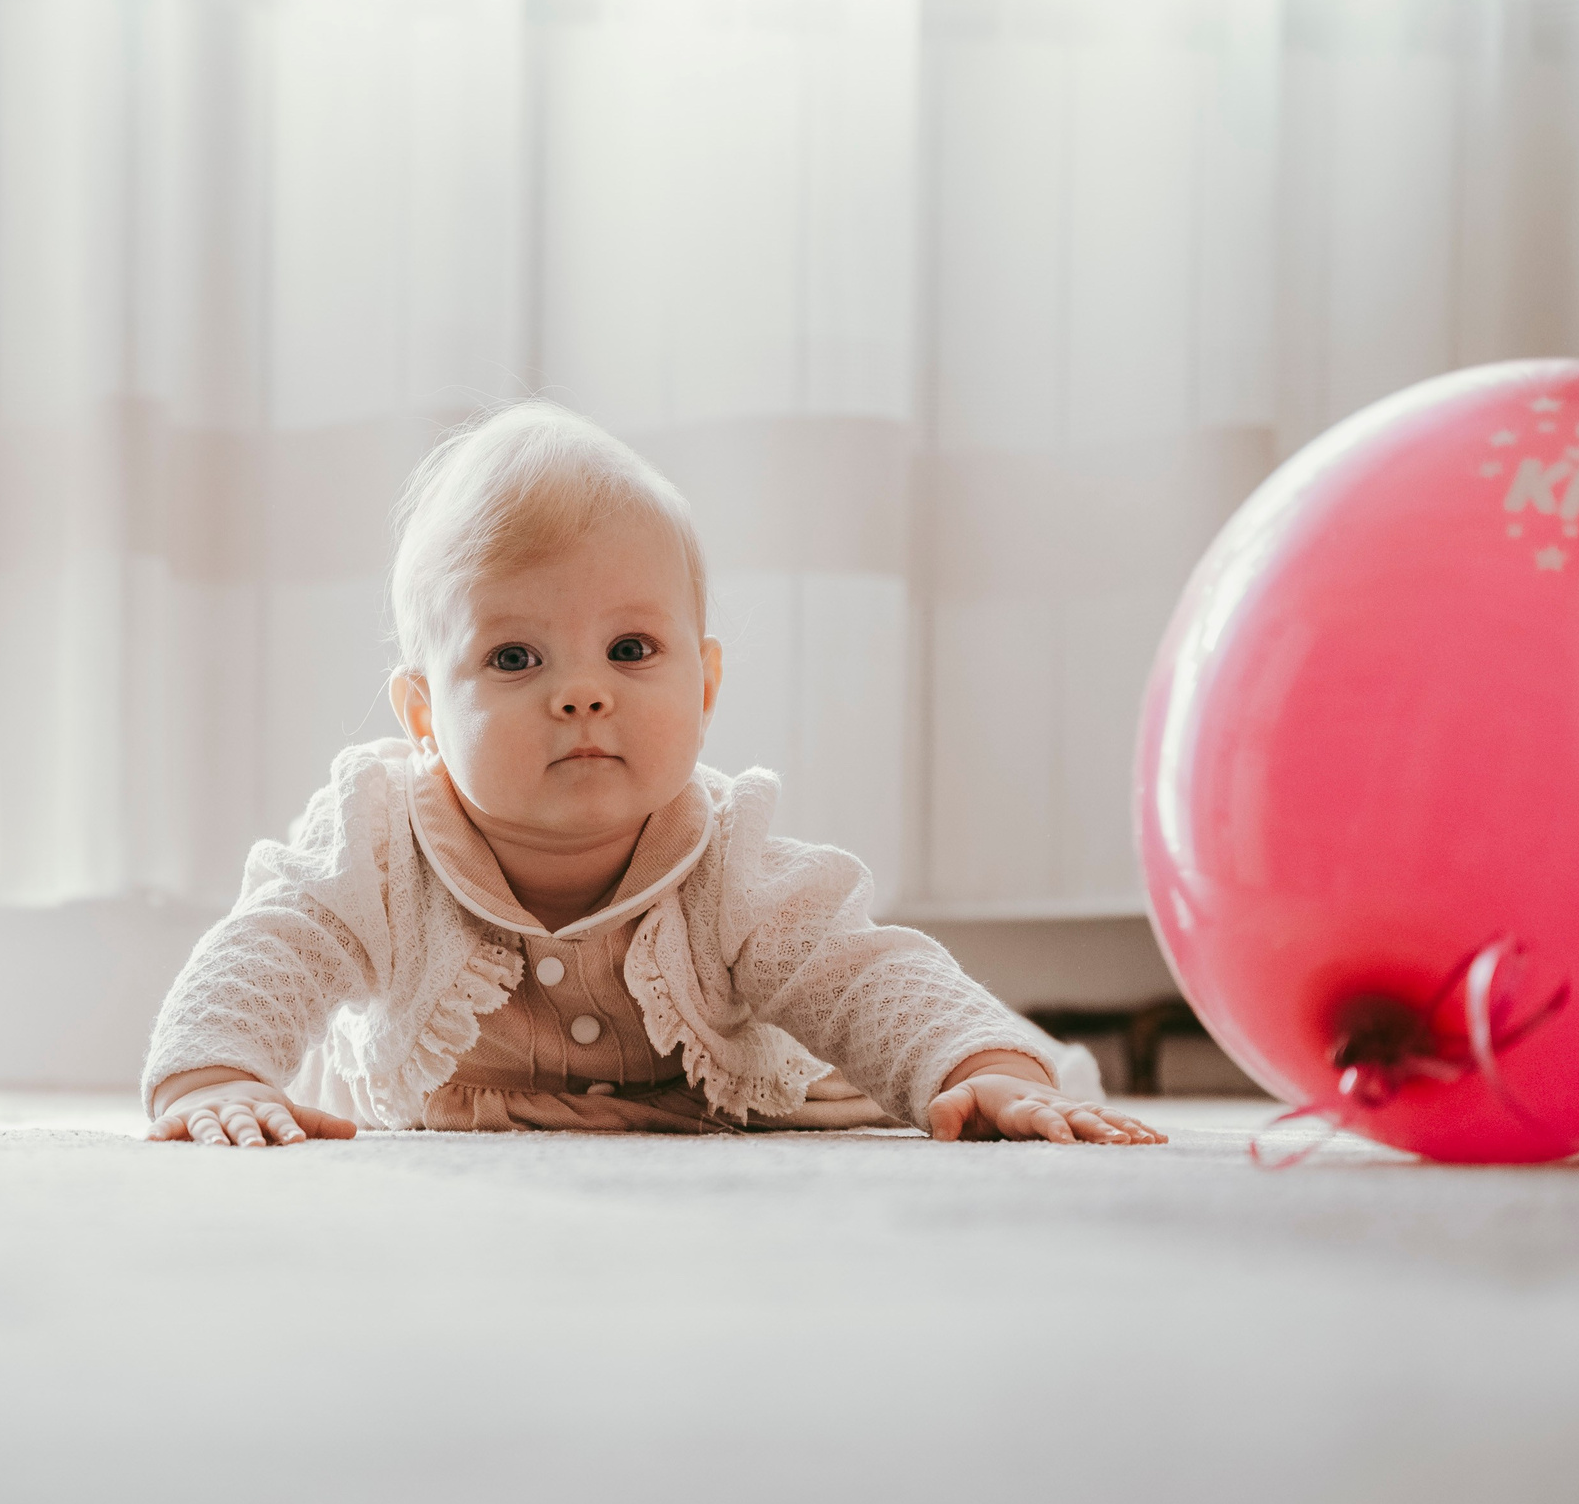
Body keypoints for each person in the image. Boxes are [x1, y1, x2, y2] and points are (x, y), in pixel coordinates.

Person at [143, 401, 1167, 1149]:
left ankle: (1033, 1060)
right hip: (442, 1105)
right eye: (514, 658)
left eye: (630, 651)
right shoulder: (377, 833)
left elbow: (862, 971)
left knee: (966, 1064)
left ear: (706, 679)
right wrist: (216, 1071)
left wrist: (981, 1067)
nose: (581, 695)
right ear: (421, 715)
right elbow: (277, 939)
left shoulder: (727, 854)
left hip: (739, 1093)